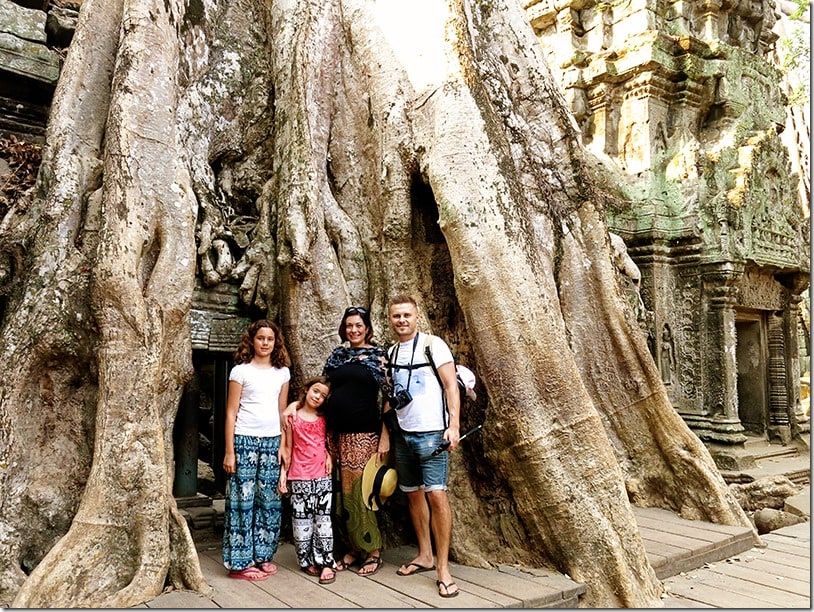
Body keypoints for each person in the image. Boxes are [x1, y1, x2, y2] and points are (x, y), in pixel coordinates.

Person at [386, 295, 461, 598]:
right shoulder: (390, 352)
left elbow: (450, 385)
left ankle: (444, 568)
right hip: (403, 432)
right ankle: (424, 554)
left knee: (437, 496)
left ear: (417, 317)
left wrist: (453, 426)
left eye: (406, 315)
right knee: (413, 495)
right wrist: (385, 434)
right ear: (390, 320)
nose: (401, 320)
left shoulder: (434, 344)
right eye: (396, 316)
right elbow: (390, 398)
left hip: (432, 433)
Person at [321, 306, 390, 577]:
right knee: (341, 494)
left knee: (362, 493)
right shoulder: (337, 356)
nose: (353, 330)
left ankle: (372, 551)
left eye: (358, 325)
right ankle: (352, 548)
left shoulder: (378, 356)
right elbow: (326, 388)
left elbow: (388, 398)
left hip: (365, 435)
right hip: (338, 434)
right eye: (349, 325)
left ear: (367, 328)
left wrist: (385, 436)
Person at [221, 319, 290, 581]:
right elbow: (230, 412)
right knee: (242, 500)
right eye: (260, 338)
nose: (265, 343)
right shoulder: (240, 372)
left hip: (272, 441)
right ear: (252, 340)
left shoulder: (282, 373)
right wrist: (230, 451)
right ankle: (239, 563)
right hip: (245, 440)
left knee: (270, 501)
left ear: (276, 342)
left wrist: (284, 445)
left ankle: (263, 555)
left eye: (270, 339)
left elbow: (283, 412)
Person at [279, 376, 337, 585]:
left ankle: (327, 562)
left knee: (323, 520)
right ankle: (306, 560)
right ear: (306, 389)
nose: (317, 397)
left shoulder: (324, 418)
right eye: (315, 391)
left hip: (322, 474)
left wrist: (329, 456)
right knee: (302, 521)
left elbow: (326, 443)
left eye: (323, 396)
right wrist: (283, 475)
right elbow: (287, 448)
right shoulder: (292, 417)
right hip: (299, 474)